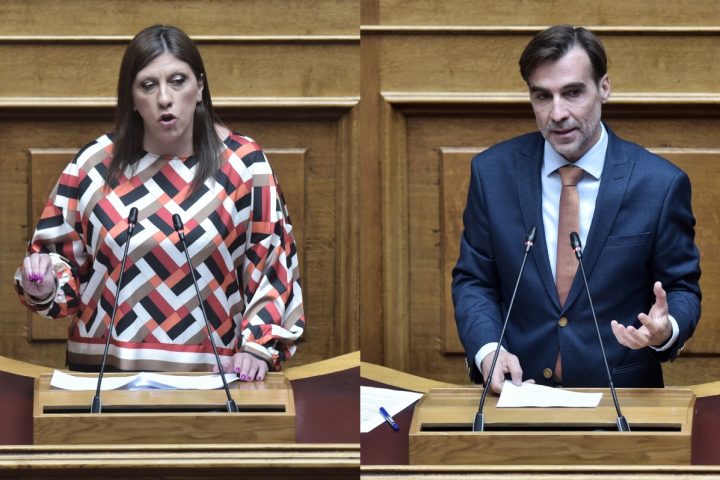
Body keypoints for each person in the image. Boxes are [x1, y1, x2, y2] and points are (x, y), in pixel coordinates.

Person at [14, 25, 304, 381]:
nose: (164, 98)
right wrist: (44, 285)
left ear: (200, 87)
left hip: (214, 381)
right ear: (132, 99)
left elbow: (274, 266)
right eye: (148, 85)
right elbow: (56, 263)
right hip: (103, 380)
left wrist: (258, 346)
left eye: (177, 81)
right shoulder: (92, 166)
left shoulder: (245, 166)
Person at [452, 25, 701, 393]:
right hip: (519, 392)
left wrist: (667, 330)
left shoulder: (660, 184)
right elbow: (475, 280)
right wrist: (489, 350)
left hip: (621, 399)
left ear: (604, 87)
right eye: (542, 96)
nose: (557, 113)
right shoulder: (492, 173)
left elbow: (681, 288)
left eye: (572, 93)